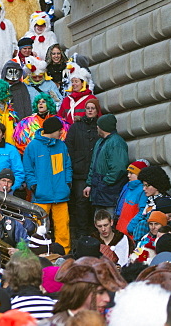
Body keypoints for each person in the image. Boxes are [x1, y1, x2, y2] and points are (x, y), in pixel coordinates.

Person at [23, 116, 72, 253]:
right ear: (52, 131)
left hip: (61, 195)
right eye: (59, 131)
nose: (61, 133)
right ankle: (39, 253)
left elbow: (67, 166)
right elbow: (28, 170)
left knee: (63, 227)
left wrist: (67, 184)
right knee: (39, 228)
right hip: (41, 196)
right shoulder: (32, 146)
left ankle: (64, 254)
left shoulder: (61, 145)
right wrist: (34, 187)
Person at [65, 100, 100, 244]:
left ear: (97, 111)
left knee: (95, 202)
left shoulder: (99, 127)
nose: (90, 111)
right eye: (88, 108)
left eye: (93, 108)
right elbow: (69, 146)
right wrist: (75, 162)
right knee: (80, 202)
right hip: (79, 172)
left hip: (96, 172)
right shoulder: (76, 127)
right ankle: (81, 233)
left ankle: (95, 231)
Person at [49, 257, 126, 322]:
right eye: (100, 292)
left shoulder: (112, 320)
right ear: (81, 291)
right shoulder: (53, 323)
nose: (107, 299)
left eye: (107, 292)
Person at [85, 113, 129, 214]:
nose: (97, 127)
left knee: (109, 219)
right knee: (100, 219)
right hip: (100, 189)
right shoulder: (100, 142)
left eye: (98, 125)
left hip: (109, 191)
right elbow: (93, 165)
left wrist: (104, 183)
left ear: (103, 127)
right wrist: (89, 184)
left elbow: (119, 168)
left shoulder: (116, 142)